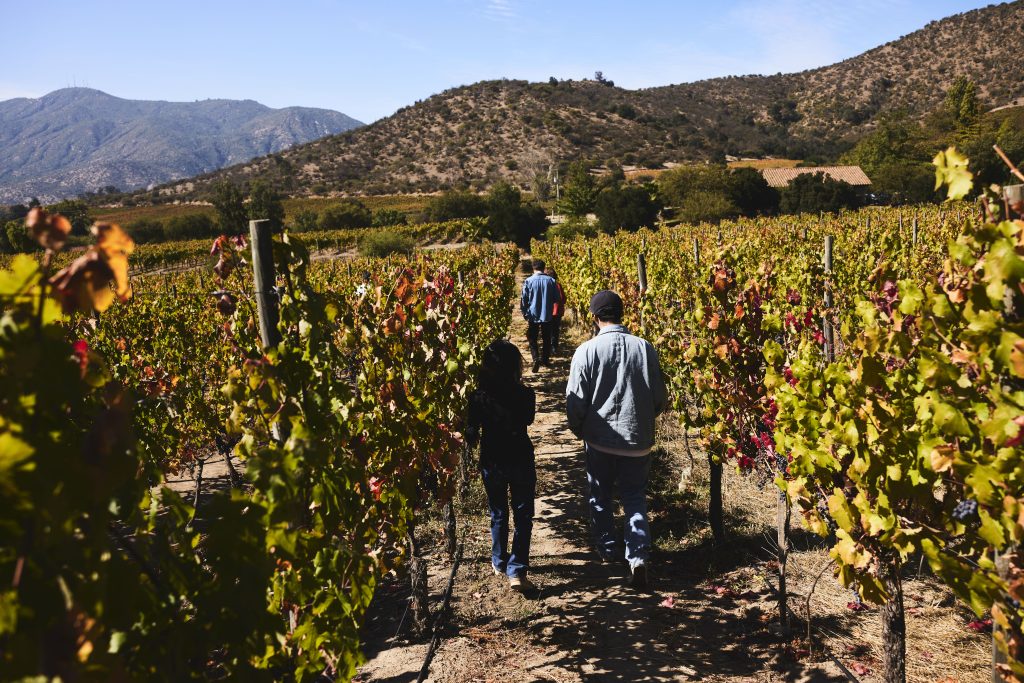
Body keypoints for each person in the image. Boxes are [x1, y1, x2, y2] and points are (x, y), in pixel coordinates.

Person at [565, 290, 668, 589]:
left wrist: (578, 428)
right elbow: (659, 395)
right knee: (634, 496)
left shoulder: (586, 351)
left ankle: (609, 549)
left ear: (594, 317)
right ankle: (637, 557)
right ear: (622, 314)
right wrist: (649, 418)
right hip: (638, 440)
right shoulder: (645, 347)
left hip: (599, 440)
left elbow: (576, 401)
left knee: (600, 496)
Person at [466, 339, 538, 592]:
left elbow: (471, 434)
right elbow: (527, 418)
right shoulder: (526, 394)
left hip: (492, 460)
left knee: (498, 512)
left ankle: (498, 561)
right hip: (520, 458)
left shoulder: (478, 398)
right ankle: (517, 570)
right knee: (523, 515)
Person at [520, 259, 560, 372]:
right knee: (546, 338)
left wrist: (524, 312)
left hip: (533, 315)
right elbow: (557, 299)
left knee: (532, 338)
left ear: (533, 268)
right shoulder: (551, 281)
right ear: (544, 267)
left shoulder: (528, 281)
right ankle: (545, 360)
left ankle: (535, 358)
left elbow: (524, 299)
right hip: (547, 314)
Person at [545, 267, 567, 354]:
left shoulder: (546, 285)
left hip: (548, 311)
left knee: (548, 329)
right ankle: (554, 347)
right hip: (557, 311)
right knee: (555, 330)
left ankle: (548, 347)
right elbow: (563, 298)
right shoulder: (558, 285)